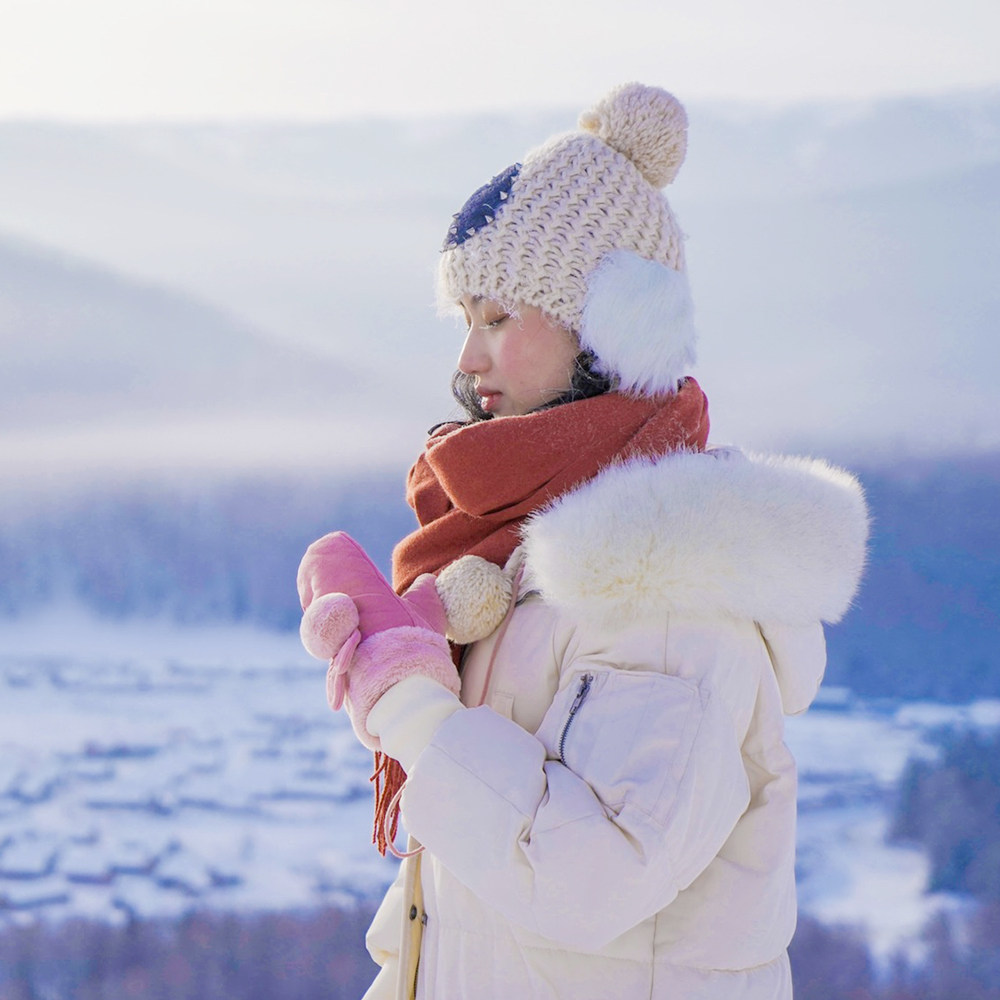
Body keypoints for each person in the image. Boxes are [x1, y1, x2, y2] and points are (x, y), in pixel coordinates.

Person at [297, 82, 869, 1000]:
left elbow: (585, 879)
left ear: (608, 327)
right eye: (465, 321)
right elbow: (467, 895)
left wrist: (408, 706)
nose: (467, 360)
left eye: (499, 318)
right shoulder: (523, 557)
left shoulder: (667, 587)